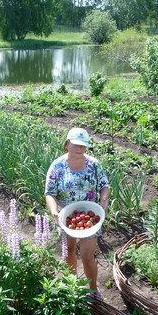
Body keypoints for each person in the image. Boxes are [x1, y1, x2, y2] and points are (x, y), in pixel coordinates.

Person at [45, 127, 110, 297]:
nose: (80, 149)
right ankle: (72, 287)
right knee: (69, 252)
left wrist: (104, 200)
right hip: (66, 217)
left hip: (90, 215)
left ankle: (93, 289)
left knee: (88, 256)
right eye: (75, 145)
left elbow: (104, 185)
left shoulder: (94, 164)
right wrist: (54, 213)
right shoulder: (57, 166)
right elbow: (50, 193)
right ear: (67, 144)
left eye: (83, 145)